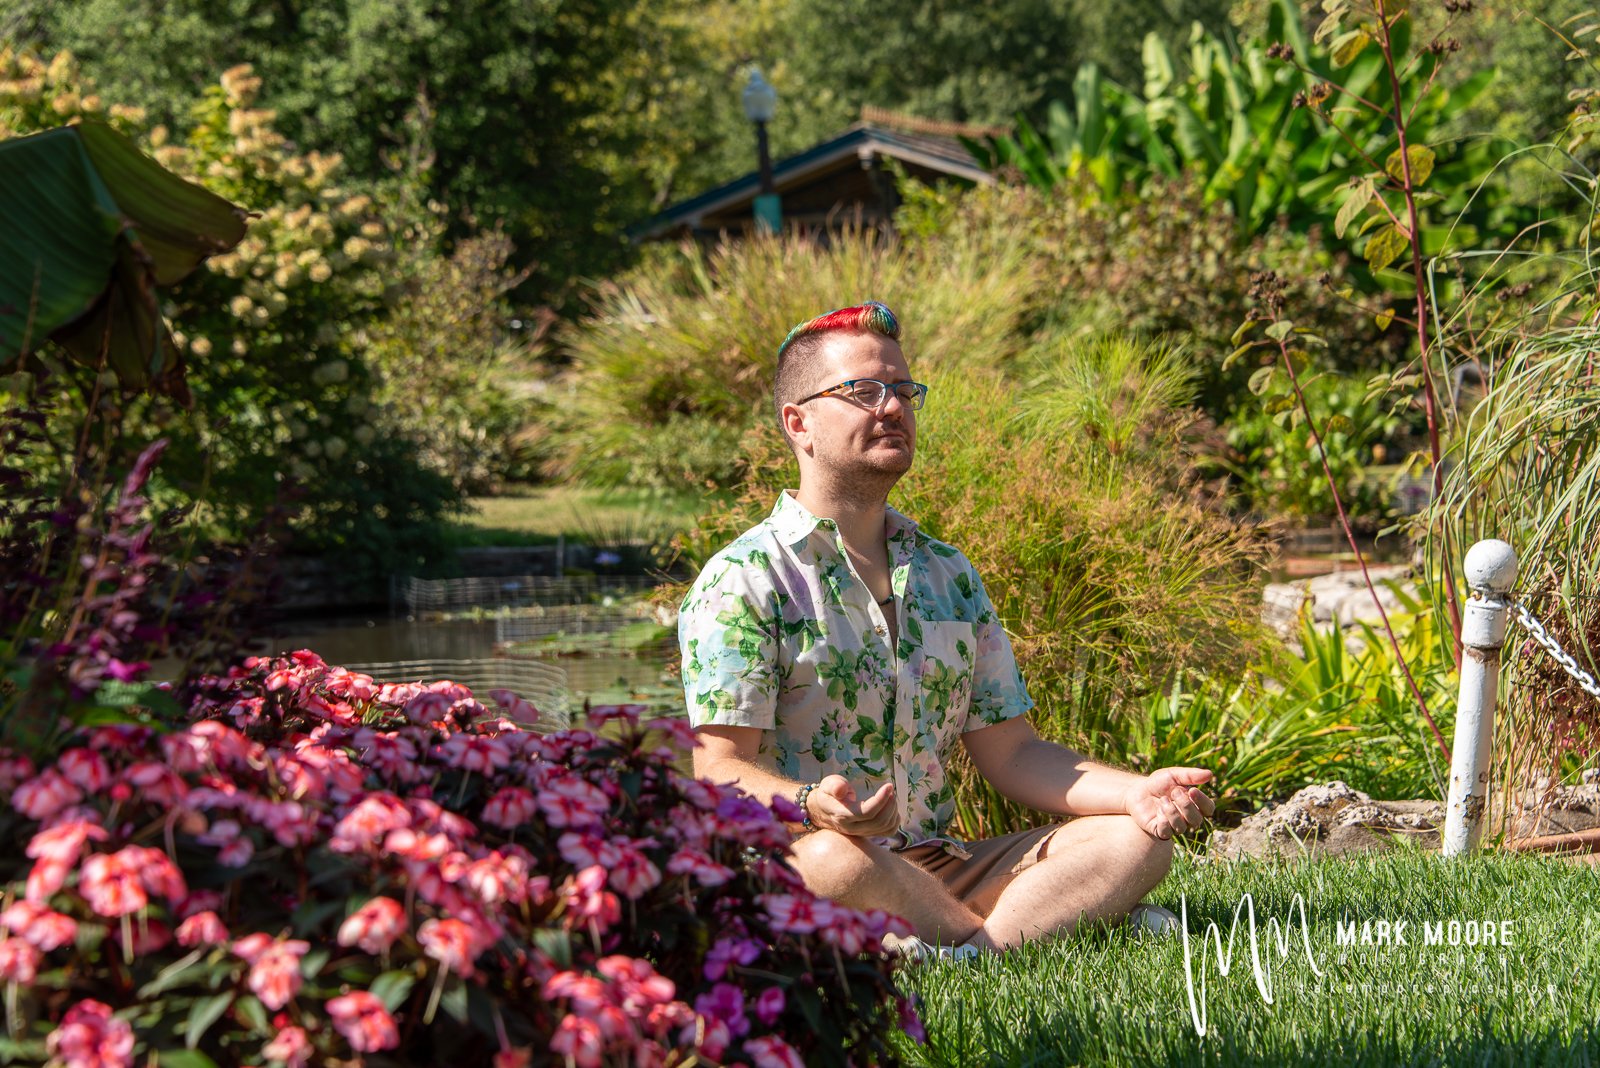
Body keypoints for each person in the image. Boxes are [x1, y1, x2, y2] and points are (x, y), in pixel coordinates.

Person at [677, 301, 1214, 955]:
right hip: (823, 857)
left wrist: (1139, 793)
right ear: (799, 423)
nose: (893, 407)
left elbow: (1014, 753)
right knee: (836, 866)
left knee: (1135, 841)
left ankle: (969, 951)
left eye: (904, 390)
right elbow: (721, 770)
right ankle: (1028, 932)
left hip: (945, 865)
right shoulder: (744, 578)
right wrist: (812, 800)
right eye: (863, 391)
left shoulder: (946, 572)